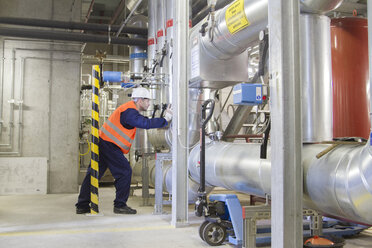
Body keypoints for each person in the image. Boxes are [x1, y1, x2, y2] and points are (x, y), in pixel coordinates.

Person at [76, 87, 172, 214]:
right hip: (109, 144)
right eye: (147, 100)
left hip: (105, 143)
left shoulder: (129, 109)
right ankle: (120, 205)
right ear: (140, 100)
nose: (149, 104)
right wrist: (166, 119)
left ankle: (82, 205)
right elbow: (145, 123)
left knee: (94, 173)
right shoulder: (129, 111)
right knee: (125, 171)